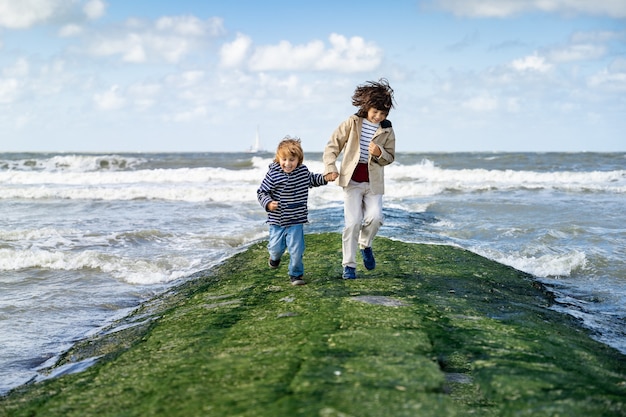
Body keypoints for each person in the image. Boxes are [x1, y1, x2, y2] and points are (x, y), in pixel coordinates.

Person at [323, 78, 396, 279]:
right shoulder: (352, 123)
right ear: (366, 107)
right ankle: (349, 265)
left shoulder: (387, 129)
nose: (378, 117)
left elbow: (390, 157)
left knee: (376, 218)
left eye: (382, 114)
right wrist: (331, 167)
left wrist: (379, 152)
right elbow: (332, 146)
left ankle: (365, 245)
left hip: (374, 183)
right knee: (353, 223)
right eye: (375, 112)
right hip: (352, 182)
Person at [257, 136, 332, 285]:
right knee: (275, 248)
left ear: (299, 160)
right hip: (277, 220)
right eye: (284, 159)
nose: (287, 163)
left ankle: (296, 275)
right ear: (279, 159)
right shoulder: (273, 174)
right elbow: (262, 192)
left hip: (296, 219)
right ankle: (274, 258)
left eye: (292, 160)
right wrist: (269, 203)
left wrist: (326, 178)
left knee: (297, 250)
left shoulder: (302, 172)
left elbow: (313, 180)